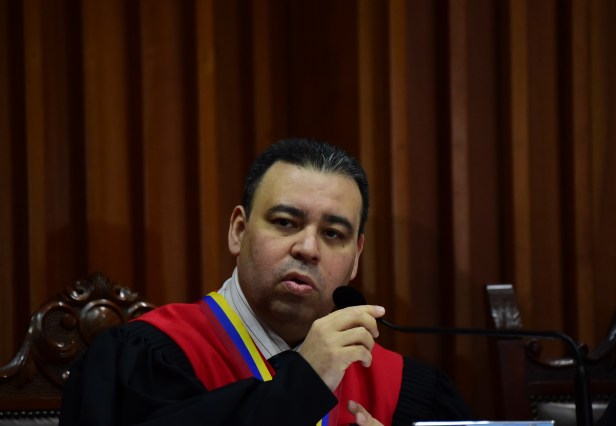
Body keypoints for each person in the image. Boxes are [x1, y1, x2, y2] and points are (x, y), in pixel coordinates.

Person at [60, 137, 473, 425]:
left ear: (355, 259)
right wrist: (305, 379)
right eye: (285, 222)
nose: (308, 248)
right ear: (238, 231)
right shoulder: (149, 355)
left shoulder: (403, 387)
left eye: (333, 234)